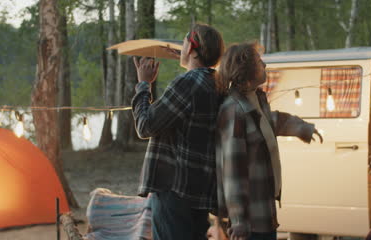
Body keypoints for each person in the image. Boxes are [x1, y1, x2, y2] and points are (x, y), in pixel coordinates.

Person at [215, 42, 323, 240]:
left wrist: (302, 128)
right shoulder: (234, 110)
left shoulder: (255, 99)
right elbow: (233, 172)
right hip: (249, 221)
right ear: (245, 70)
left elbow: (270, 122)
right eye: (258, 61)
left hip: (265, 211)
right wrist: (238, 220)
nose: (264, 65)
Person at [131, 23, 225, 240]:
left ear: (192, 49)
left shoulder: (188, 82)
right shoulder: (218, 84)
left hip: (174, 189)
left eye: (183, 43)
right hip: (200, 189)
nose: (180, 48)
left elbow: (145, 126)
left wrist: (143, 85)